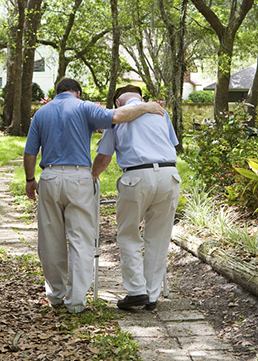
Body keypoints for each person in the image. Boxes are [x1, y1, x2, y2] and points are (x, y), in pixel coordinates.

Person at [24, 78, 165, 314]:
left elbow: (30, 152)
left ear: (56, 92)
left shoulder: (41, 113)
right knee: (81, 239)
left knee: (50, 239)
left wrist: (30, 180)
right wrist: (146, 107)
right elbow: (118, 116)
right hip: (79, 177)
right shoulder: (84, 106)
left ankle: (55, 295)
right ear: (77, 92)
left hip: (48, 177)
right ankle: (77, 302)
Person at [91, 84, 181, 311]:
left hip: (137, 176)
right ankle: (151, 295)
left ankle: (136, 291)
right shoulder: (161, 112)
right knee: (159, 237)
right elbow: (172, 144)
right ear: (140, 97)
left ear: (117, 102)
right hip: (170, 175)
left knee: (129, 234)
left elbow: (104, 158)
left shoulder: (118, 117)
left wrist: (91, 177)